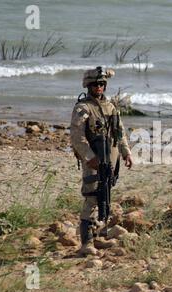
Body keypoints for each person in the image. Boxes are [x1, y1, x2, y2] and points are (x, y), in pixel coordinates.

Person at [70, 66, 133, 256]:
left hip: (109, 159)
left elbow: (119, 133)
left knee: (105, 195)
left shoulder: (110, 107)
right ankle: (86, 242)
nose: (99, 87)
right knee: (91, 196)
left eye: (102, 84)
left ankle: (99, 234)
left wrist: (126, 153)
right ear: (88, 86)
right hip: (94, 160)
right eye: (96, 84)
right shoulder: (83, 108)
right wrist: (90, 157)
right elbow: (77, 136)